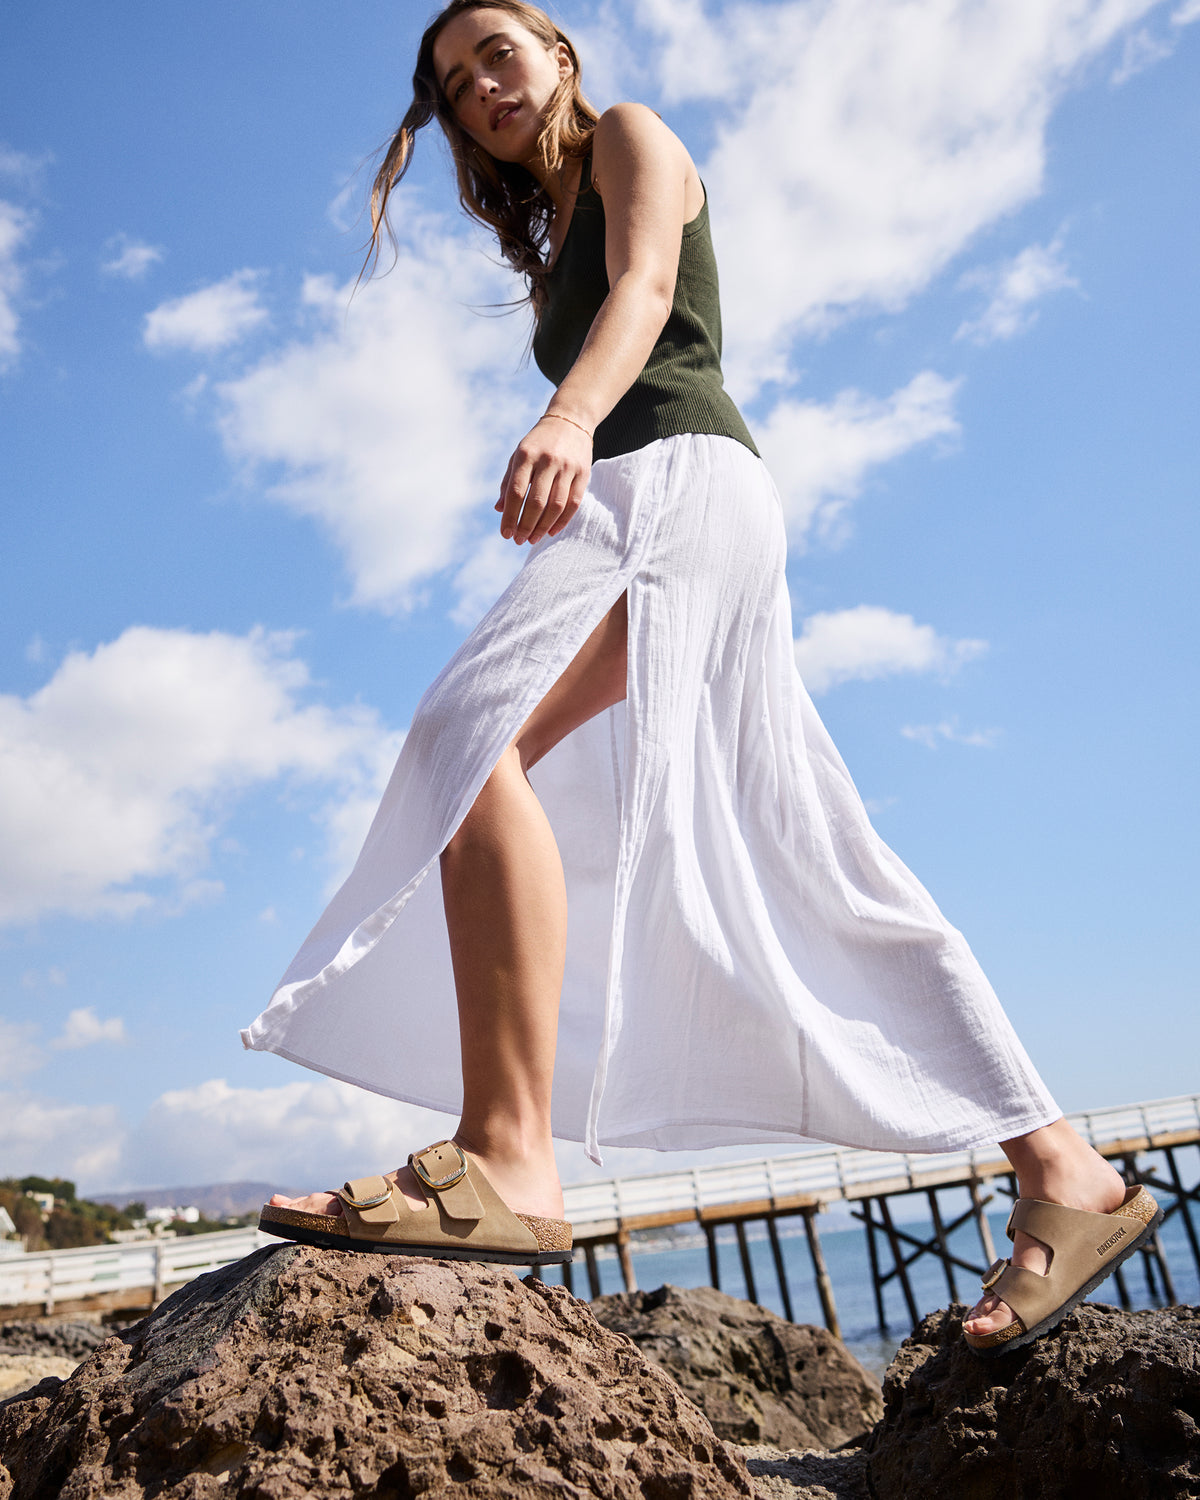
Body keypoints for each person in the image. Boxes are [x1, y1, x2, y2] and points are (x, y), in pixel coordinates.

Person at [242, 0, 1160, 1355]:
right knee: (802, 850)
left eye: (496, 52)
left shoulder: (632, 133)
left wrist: (564, 412)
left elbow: (651, 296)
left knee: (464, 736)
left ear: (557, 50)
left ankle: (507, 1152)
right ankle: (1064, 1168)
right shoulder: (556, 230)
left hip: (673, 481)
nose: (480, 88)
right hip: (685, 499)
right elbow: (607, 292)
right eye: (451, 85)